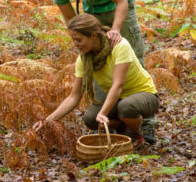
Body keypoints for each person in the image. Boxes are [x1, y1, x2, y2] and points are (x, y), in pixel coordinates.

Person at [39, 0, 157, 144]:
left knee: (132, 56)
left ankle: (146, 123)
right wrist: (79, 41)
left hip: (119, 5)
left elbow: (121, 1)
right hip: (93, 10)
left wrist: (116, 30)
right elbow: (72, 21)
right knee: (97, 59)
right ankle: (111, 119)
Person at [33, 14, 159, 148]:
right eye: (74, 40)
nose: (76, 44)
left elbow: (118, 85)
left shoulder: (119, 46)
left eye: (79, 40)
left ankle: (135, 134)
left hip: (145, 94)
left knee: (126, 107)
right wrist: (47, 121)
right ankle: (122, 125)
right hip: (119, 99)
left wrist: (103, 113)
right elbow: (74, 96)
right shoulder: (84, 59)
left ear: (93, 36)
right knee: (90, 119)